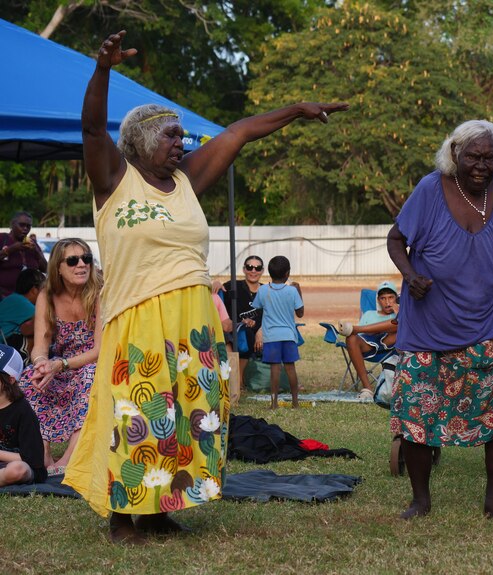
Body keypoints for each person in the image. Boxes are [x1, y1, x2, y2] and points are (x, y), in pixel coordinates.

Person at [63, 30, 348, 544]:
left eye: (182, 137)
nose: (181, 143)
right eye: (171, 135)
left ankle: (162, 508)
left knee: (191, 414)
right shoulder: (113, 180)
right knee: (143, 413)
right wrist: (101, 70)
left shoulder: (187, 182)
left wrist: (295, 110)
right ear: (140, 138)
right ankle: (124, 519)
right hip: (141, 318)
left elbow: (238, 132)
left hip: (193, 319)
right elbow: (89, 127)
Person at [387, 119, 493, 521]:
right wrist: (410, 275)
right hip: (430, 324)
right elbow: (396, 239)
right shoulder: (429, 188)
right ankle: (420, 500)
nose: (481, 165)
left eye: (490, 157)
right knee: (418, 416)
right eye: (473, 156)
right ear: (454, 153)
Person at [19, 239, 101, 475]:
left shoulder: (99, 293)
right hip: (61, 366)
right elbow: (40, 345)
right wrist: (41, 363)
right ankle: (42, 452)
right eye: (73, 260)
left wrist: (60, 365)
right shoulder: (47, 296)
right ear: (58, 268)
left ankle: (69, 456)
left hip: (94, 364)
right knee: (30, 378)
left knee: (89, 375)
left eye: (86, 258)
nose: (82, 265)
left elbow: (99, 350)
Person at [252, 256, 304, 408]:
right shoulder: (292, 291)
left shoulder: (263, 290)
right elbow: (300, 313)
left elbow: (257, 307)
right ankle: (295, 402)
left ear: (269, 272)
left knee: (275, 369)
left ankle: (274, 403)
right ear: (287, 273)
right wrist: (298, 291)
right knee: (290, 368)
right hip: (288, 335)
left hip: (271, 336)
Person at [337, 280, 399, 401]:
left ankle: (353, 328)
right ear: (378, 300)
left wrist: (399, 312)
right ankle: (367, 389)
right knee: (351, 337)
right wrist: (373, 330)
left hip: (391, 348)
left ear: (396, 298)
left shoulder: (401, 312)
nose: (387, 302)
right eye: (383, 298)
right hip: (369, 346)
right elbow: (361, 336)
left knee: (400, 324)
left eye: (391, 297)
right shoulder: (369, 314)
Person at [0, 345, 47, 486]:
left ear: (10, 380)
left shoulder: (22, 410)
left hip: (21, 465)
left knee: (17, 470)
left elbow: (33, 459)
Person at [224, 255, 264, 389]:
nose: (253, 271)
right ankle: (239, 379)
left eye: (257, 268)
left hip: (261, 332)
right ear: (244, 270)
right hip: (239, 332)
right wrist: (216, 284)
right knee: (246, 334)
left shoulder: (266, 291)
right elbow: (216, 293)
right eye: (249, 267)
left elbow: (273, 314)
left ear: (262, 271)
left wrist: (260, 330)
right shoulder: (233, 286)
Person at [0, 268, 45, 361]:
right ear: (34, 290)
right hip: (6, 347)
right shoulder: (20, 302)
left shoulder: (14, 298)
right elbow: (42, 321)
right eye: (44, 290)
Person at [0, 212, 48, 297]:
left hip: (30, 299)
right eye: (21, 225)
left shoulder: (33, 244)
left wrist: (36, 252)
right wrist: (11, 249)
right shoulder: (2, 239)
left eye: (28, 226)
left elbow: (46, 269)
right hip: (4, 297)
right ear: (12, 224)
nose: (25, 228)